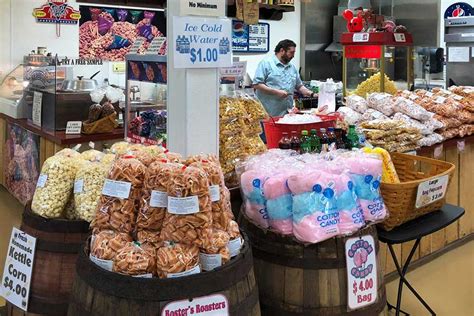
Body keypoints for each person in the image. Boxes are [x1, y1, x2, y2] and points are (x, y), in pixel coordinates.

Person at [253, 39, 315, 116]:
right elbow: (257, 84)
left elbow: (299, 86)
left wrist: (312, 94)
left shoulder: (292, 67)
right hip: (269, 114)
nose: (293, 56)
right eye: (291, 52)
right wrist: (276, 92)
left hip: (287, 114)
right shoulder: (266, 64)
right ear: (282, 50)